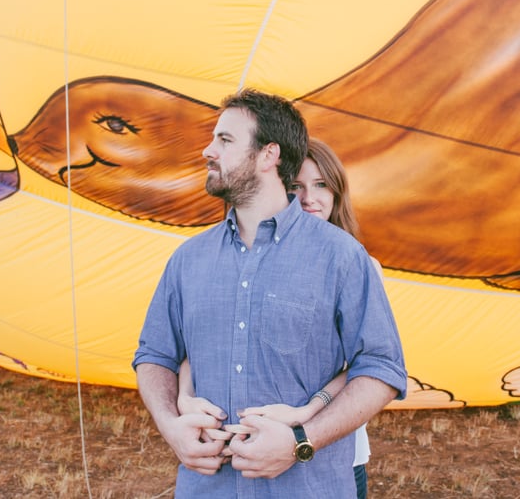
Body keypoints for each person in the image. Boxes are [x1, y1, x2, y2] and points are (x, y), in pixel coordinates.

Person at [133, 89, 407, 497]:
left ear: (268, 155)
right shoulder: (188, 259)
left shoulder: (342, 257)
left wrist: (302, 440)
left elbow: (382, 367)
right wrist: (171, 425)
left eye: (225, 140)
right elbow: (155, 356)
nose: (209, 150)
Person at [176, 137, 380, 498]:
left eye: (321, 186)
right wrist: (184, 397)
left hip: (331, 452)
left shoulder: (356, 262)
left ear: (337, 192)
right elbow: (207, 336)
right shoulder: (226, 254)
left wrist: (305, 412)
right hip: (238, 457)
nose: (308, 198)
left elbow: (369, 365)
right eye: (296, 187)